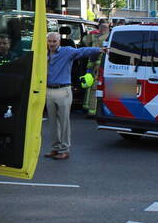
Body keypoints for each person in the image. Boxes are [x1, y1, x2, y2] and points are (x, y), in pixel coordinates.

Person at [45, 32, 101, 160]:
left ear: (59, 41)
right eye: (50, 41)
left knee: (64, 122)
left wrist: (99, 49)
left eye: (54, 41)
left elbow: (83, 51)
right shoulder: (45, 54)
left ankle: (64, 149)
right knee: (53, 123)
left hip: (63, 90)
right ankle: (55, 148)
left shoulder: (67, 51)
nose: (52, 44)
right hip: (49, 90)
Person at [82, 19, 110, 117]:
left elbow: (84, 41)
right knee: (93, 87)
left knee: (91, 87)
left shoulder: (94, 36)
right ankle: (91, 109)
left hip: (95, 66)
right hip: (101, 66)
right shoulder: (110, 37)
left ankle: (90, 110)